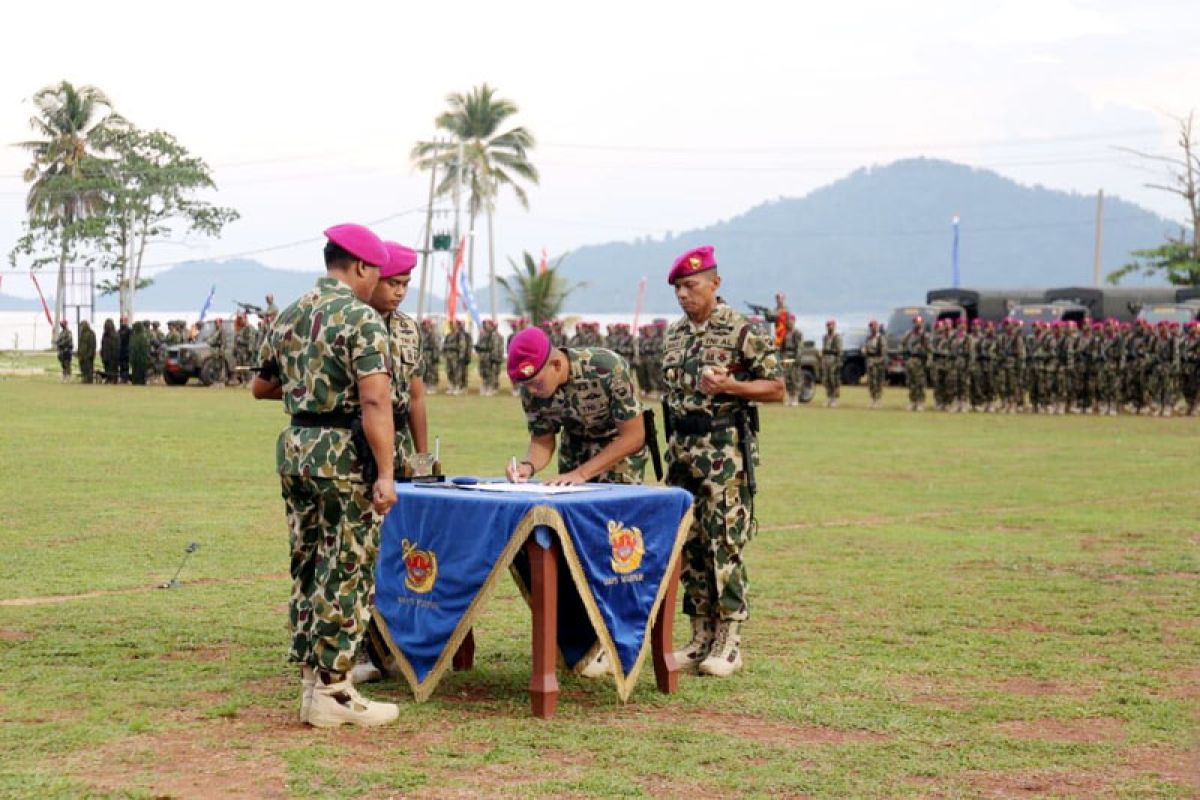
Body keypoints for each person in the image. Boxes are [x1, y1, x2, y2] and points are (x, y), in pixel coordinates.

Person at [250, 222, 399, 729]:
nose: (378, 283)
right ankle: (334, 691)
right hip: (342, 455)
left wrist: (306, 390)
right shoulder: (361, 319)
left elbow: (260, 386)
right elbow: (376, 399)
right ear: (359, 267)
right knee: (347, 568)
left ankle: (314, 681)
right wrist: (386, 473)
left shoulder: (291, 313)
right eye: (377, 273)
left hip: (296, 449)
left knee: (310, 566)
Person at [660, 245, 784, 678]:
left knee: (723, 544)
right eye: (678, 288)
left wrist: (733, 386)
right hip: (681, 454)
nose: (683, 295)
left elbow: (776, 387)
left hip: (723, 453)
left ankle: (729, 640)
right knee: (689, 545)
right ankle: (699, 636)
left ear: (715, 282)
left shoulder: (740, 330)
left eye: (691, 285)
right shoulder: (674, 334)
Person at [504, 324, 649, 679]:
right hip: (574, 460)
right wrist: (526, 467)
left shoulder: (606, 367)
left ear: (555, 364)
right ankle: (583, 639)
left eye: (537, 383)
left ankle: (614, 637)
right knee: (574, 548)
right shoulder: (533, 386)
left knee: (613, 550)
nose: (534, 391)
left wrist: (585, 473)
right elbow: (543, 441)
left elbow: (635, 434)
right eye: (528, 386)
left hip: (618, 459)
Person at [900, 316, 930, 411]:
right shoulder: (909, 334)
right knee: (911, 382)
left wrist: (928, 360)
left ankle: (920, 402)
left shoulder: (924, 335)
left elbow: (929, 349)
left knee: (920, 383)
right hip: (910, 360)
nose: (918, 324)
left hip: (920, 361)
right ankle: (913, 401)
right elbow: (902, 344)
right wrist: (904, 354)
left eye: (920, 322)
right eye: (916, 322)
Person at [863, 319, 887, 408]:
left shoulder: (881, 338)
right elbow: (866, 348)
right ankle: (873, 399)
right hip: (870, 362)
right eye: (870, 326)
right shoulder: (868, 338)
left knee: (878, 381)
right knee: (871, 382)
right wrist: (864, 351)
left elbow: (883, 353)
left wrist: (877, 361)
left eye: (873, 326)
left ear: (877, 327)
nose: (872, 328)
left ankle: (878, 400)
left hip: (878, 363)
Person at [820, 319, 842, 407]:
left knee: (834, 380)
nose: (829, 327)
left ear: (834, 326)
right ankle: (829, 397)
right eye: (828, 325)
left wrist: (838, 362)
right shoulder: (825, 337)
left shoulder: (837, 337)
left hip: (834, 360)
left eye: (831, 325)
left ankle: (834, 399)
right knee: (826, 380)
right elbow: (824, 349)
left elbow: (839, 351)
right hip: (826, 360)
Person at [419, 317, 441, 394]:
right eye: (424, 324)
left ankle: (432, 386)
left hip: (431, 355)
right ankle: (425, 386)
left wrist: (435, 356)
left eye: (426, 324)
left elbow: (436, 346)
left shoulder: (433, 334)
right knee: (424, 371)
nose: (425, 326)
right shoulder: (420, 333)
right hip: (423, 355)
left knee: (432, 371)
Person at [100, 319, 119, 383]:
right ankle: (109, 380)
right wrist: (102, 354)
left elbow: (116, 348)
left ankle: (112, 380)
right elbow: (102, 346)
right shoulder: (105, 335)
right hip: (106, 358)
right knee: (108, 371)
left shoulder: (114, 335)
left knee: (112, 372)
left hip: (112, 358)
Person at [117, 315, 132, 384]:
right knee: (122, 366)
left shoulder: (129, 331)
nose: (122, 322)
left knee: (125, 367)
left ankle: (125, 379)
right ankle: (122, 378)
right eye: (121, 321)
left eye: (123, 321)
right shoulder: (119, 331)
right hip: (121, 352)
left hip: (126, 352)